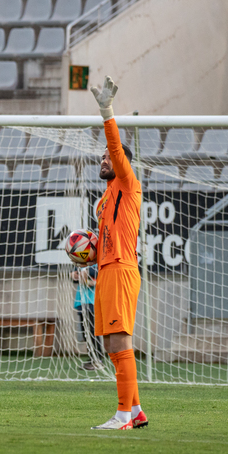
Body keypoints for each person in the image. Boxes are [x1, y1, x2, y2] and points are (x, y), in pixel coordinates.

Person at [88, 75, 148, 431]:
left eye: (108, 158)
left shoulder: (128, 182)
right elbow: (104, 240)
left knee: (121, 339)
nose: (103, 160)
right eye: (101, 158)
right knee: (112, 342)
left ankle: (122, 416)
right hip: (106, 269)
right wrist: (87, 254)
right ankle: (136, 410)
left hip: (123, 269)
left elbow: (114, 144)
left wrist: (106, 111)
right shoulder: (106, 199)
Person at [70, 264, 105, 371]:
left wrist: (86, 273)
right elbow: (77, 278)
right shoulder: (82, 264)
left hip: (93, 302)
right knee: (86, 333)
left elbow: (96, 274)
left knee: (93, 332)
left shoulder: (98, 263)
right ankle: (92, 357)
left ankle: (98, 359)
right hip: (82, 301)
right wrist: (74, 274)